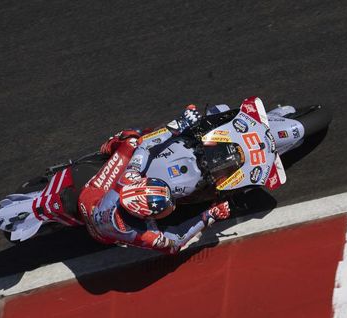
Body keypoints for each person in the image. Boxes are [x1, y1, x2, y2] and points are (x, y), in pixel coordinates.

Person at [77, 105, 231, 254]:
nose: (173, 205)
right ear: (146, 217)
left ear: (139, 183)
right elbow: (176, 242)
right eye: (165, 207)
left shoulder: (128, 179)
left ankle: (110, 146)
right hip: (96, 218)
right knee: (133, 139)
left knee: (133, 140)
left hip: (94, 198)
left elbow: (144, 146)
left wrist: (178, 124)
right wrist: (210, 215)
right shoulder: (146, 235)